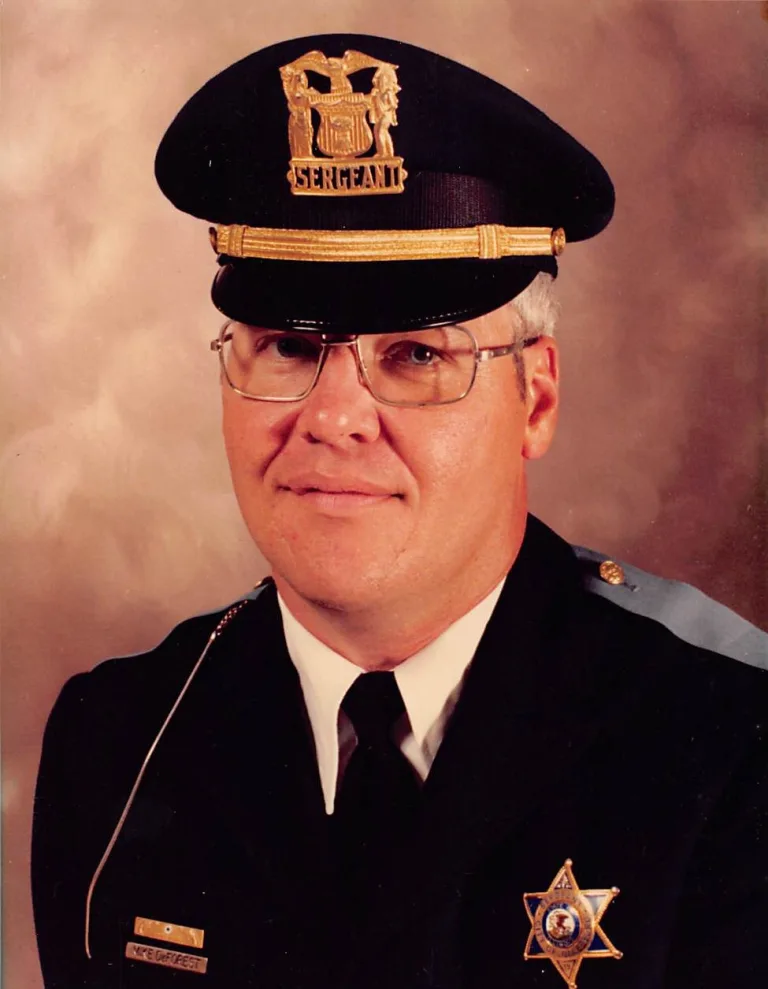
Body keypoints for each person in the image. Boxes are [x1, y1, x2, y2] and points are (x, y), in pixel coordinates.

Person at [31, 32, 767, 989]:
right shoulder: (119, 740)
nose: (332, 417)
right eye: (289, 346)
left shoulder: (728, 741)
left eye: (417, 354)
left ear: (536, 400)